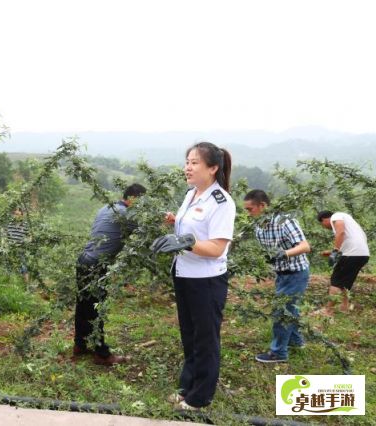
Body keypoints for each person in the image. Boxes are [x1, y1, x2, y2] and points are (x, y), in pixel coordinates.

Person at [151, 142, 235, 411]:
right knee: (189, 334)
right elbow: (191, 226)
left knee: (206, 338)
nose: (188, 167)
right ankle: (187, 387)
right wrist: (174, 222)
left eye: (195, 162)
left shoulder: (221, 202)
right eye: (187, 161)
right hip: (184, 273)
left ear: (212, 168)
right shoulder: (191, 195)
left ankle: (200, 397)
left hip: (206, 280)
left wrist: (185, 242)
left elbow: (216, 248)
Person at [73, 183, 147, 366]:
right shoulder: (126, 215)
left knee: (83, 305)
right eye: (143, 202)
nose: (143, 207)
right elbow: (148, 228)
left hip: (83, 261)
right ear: (133, 199)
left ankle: (80, 345)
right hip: (96, 265)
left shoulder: (106, 208)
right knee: (95, 309)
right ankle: (102, 354)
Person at [243, 190, 311, 363]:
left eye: (250, 209)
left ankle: (278, 353)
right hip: (281, 275)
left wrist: (284, 254)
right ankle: (296, 341)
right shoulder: (258, 226)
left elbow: (305, 246)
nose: (248, 213)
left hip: (296, 273)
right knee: (289, 309)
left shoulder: (285, 222)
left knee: (281, 312)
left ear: (263, 206)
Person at [316, 210, 370, 315]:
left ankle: (328, 310)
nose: (324, 227)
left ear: (324, 219)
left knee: (336, 281)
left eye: (322, 224)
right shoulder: (351, 222)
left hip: (352, 254)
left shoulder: (336, 216)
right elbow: (353, 240)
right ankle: (344, 308)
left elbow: (341, 232)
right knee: (345, 282)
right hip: (363, 254)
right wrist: (332, 252)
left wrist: (335, 251)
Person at [6, 207, 30, 282]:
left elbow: (30, 237)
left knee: (23, 267)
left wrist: (25, 242)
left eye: (18, 214)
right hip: (10, 249)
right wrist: (5, 244)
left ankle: (27, 285)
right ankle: (10, 285)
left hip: (21, 249)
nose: (16, 216)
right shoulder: (9, 224)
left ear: (22, 215)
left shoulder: (25, 225)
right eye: (15, 214)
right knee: (9, 267)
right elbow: (5, 236)